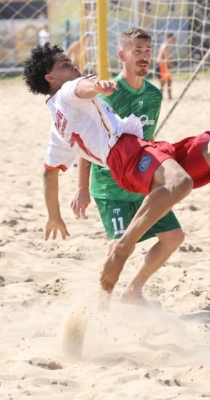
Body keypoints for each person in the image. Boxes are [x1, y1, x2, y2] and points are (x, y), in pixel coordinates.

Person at [23, 32, 210, 296]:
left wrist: (54, 216)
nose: (73, 65)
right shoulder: (68, 92)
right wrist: (98, 88)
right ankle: (123, 246)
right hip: (124, 157)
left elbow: (49, 173)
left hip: (142, 149)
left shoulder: (57, 128)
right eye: (64, 64)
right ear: (51, 78)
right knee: (180, 184)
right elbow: (79, 89)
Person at [69, 29, 184, 306]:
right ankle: (100, 306)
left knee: (173, 237)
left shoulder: (154, 95)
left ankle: (133, 292)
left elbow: (148, 140)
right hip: (111, 186)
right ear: (122, 55)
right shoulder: (108, 95)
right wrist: (82, 189)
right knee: (122, 246)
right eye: (137, 51)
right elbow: (89, 146)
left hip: (142, 181)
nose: (144, 57)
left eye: (147, 51)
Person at [156, 33, 175, 99]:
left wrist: (170, 64)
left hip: (164, 65)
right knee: (163, 83)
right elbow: (160, 59)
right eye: (173, 38)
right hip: (161, 65)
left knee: (169, 80)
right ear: (169, 39)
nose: (174, 40)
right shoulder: (165, 46)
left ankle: (169, 97)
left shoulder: (167, 46)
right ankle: (159, 97)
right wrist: (170, 64)